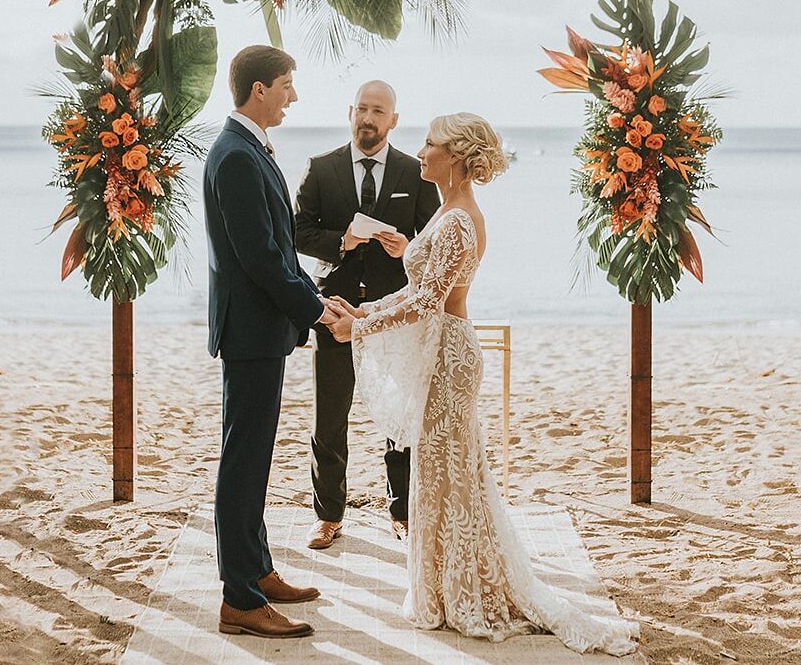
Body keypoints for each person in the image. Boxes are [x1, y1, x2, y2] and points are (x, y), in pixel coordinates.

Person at [325, 113, 639, 655]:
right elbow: (426, 289)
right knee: (443, 475)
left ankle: (461, 591)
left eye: (430, 144)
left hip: (449, 356)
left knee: (454, 477)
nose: (420, 151)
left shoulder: (458, 221)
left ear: (457, 156)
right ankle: (447, 586)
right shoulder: (450, 213)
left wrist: (360, 325)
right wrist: (368, 307)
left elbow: (428, 303)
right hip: (444, 350)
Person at [202, 45, 338, 640]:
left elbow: (278, 250)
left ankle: (256, 572)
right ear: (259, 89)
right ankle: (240, 598)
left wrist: (318, 296)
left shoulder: (248, 148)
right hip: (251, 333)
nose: (293, 95)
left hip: (263, 330)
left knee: (254, 456)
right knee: (243, 460)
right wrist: (316, 312)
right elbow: (258, 258)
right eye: (287, 85)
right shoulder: (234, 156)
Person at [293, 80, 440, 549]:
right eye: (361, 108)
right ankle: (329, 515)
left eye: (378, 110)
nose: (368, 118)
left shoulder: (415, 173)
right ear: (349, 112)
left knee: (399, 414)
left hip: (393, 313)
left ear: (393, 119)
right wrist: (341, 242)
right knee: (329, 416)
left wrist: (408, 248)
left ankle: (402, 511)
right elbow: (296, 233)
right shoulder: (321, 168)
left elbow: (434, 242)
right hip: (334, 310)